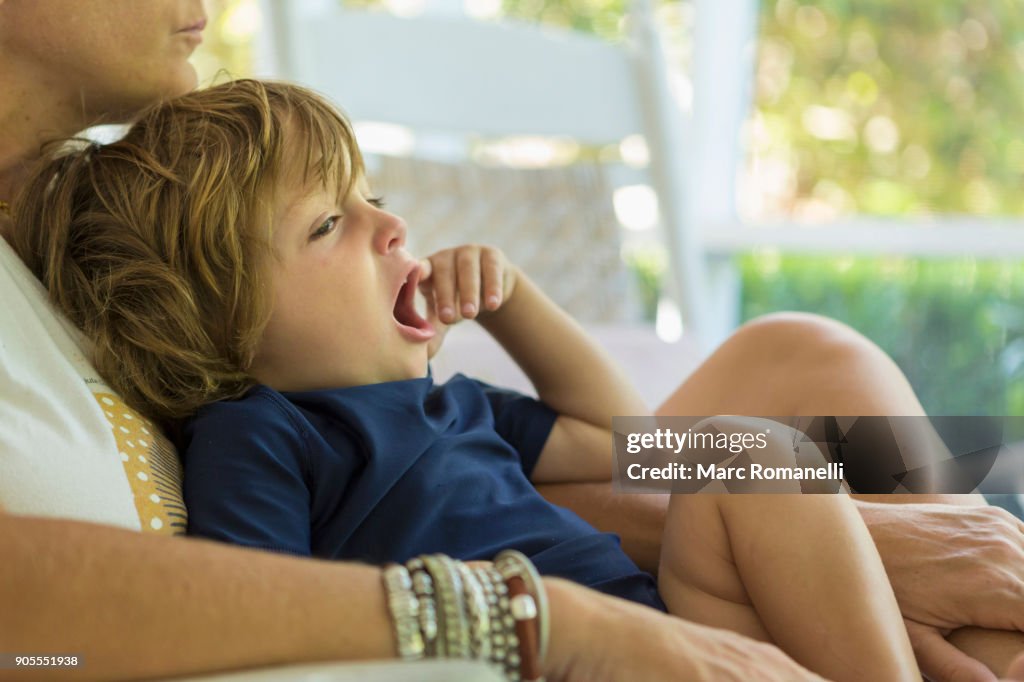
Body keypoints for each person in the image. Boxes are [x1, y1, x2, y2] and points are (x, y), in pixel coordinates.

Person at [0, 1, 1022, 680]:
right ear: (214, 321)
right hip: (585, 627)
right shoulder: (261, 430)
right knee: (839, 437)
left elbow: (622, 440)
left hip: (649, 579)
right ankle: (985, 521)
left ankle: (990, 497)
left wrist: (516, 302)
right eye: (328, 226)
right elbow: (256, 612)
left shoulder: (439, 396)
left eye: (375, 199)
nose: (390, 227)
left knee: (783, 415)